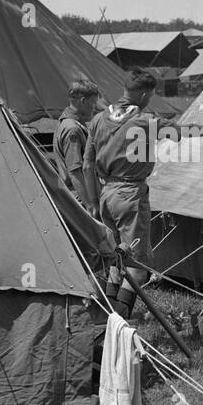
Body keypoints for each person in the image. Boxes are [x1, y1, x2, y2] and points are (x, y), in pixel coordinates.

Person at [85, 68, 163, 320]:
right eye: (149, 96)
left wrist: (94, 202)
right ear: (142, 94)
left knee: (117, 259)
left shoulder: (98, 119)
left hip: (106, 193)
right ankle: (120, 323)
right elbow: (184, 130)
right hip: (130, 195)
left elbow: (87, 165)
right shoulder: (144, 120)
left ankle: (105, 316)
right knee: (138, 266)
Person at [54, 78, 101, 208]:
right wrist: (90, 205)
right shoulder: (72, 130)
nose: (94, 107)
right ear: (83, 101)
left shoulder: (65, 122)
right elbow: (74, 172)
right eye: (93, 103)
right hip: (81, 200)